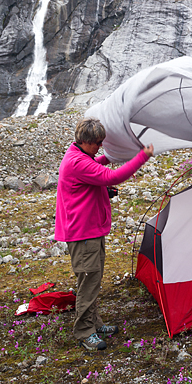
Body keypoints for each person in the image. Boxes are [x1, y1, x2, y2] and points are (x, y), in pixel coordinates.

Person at [55, 118, 153, 351]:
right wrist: (142, 156)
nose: (100, 146)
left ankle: (94, 323)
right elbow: (111, 177)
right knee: (88, 281)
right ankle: (84, 331)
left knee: (93, 279)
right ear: (85, 141)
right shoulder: (78, 162)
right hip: (82, 233)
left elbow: (96, 164)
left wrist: (111, 156)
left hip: (89, 230)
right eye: (97, 143)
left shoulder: (79, 155)